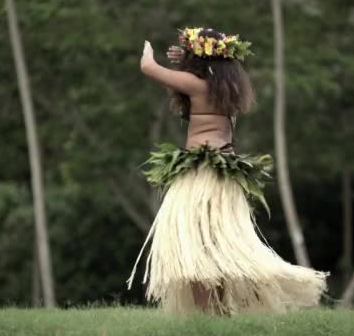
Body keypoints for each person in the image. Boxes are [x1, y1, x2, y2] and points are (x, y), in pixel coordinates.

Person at [126, 27, 328, 316]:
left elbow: (149, 67)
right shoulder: (227, 91)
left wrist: (147, 47)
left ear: (198, 60)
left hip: (200, 175)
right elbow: (205, 71)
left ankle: (208, 313)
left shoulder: (196, 85)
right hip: (226, 177)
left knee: (195, 247)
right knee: (217, 247)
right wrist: (187, 57)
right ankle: (218, 314)